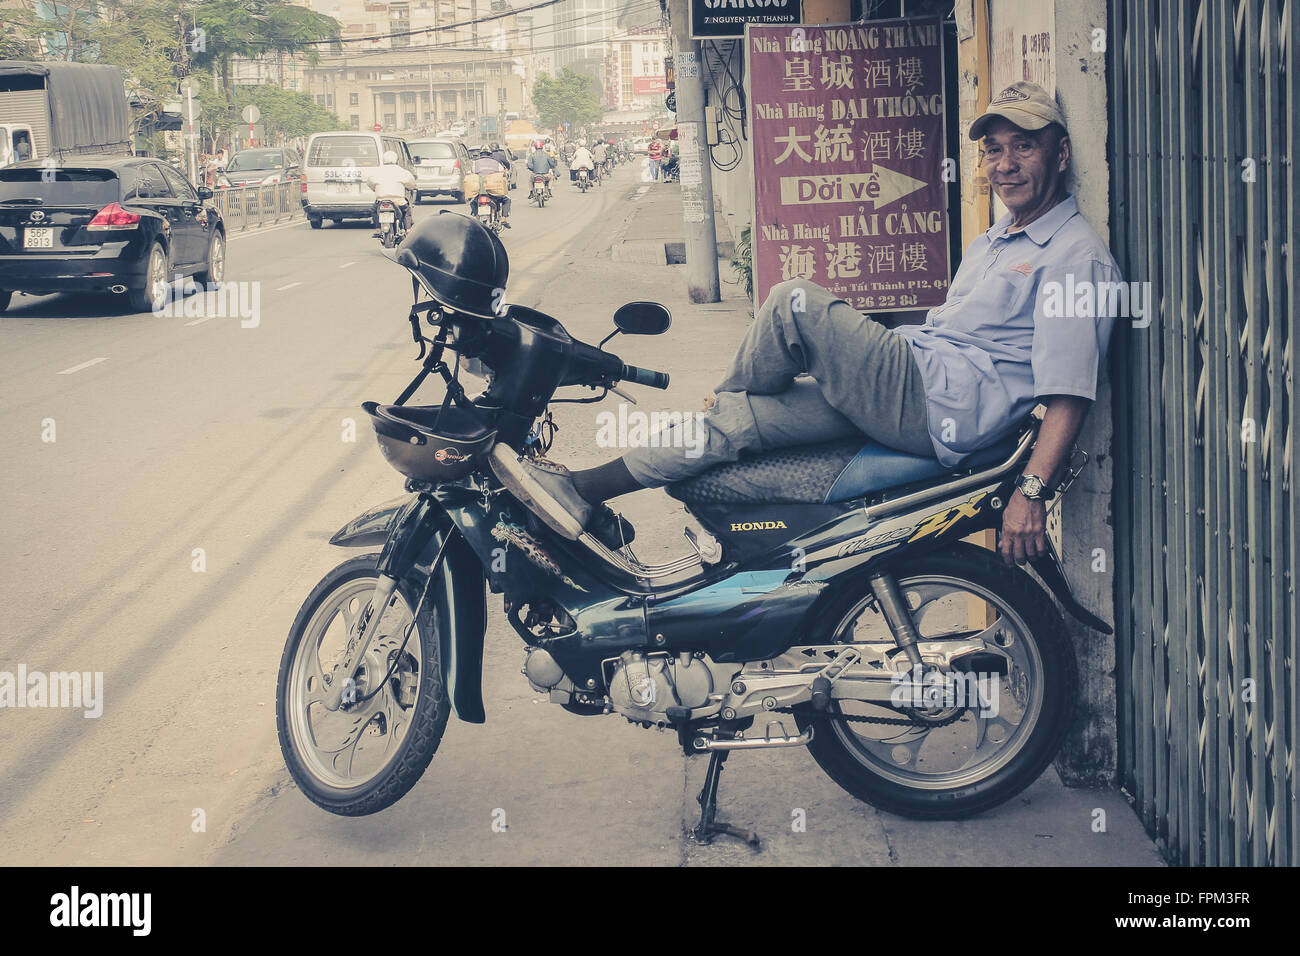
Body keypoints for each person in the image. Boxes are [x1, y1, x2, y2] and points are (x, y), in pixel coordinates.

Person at [521, 81, 1124, 568]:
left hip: (941, 406)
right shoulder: (999, 238)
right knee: (734, 424)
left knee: (795, 304)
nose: (1007, 164)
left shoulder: (1075, 257)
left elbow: (1070, 392)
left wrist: (1032, 495)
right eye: (995, 150)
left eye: (1025, 147)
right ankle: (585, 490)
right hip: (916, 380)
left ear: (1061, 153)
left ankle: (734, 392)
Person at [365, 149, 415, 234]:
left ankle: (378, 229)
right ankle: (408, 229)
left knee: (374, 211)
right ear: (396, 160)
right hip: (398, 201)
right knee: (406, 211)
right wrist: (410, 187)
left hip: (381, 201)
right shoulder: (402, 171)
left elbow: (370, 182)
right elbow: (411, 183)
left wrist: (375, 188)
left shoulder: (377, 171)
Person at [469, 148, 511, 227]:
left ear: (480, 154)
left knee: (472, 202)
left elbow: (470, 173)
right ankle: (504, 218)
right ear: (490, 154)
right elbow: (503, 173)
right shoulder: (496, 163)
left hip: (480, 192)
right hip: (493, 192)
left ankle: (476, 216)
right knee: (507, 200)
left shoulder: (475, 163)